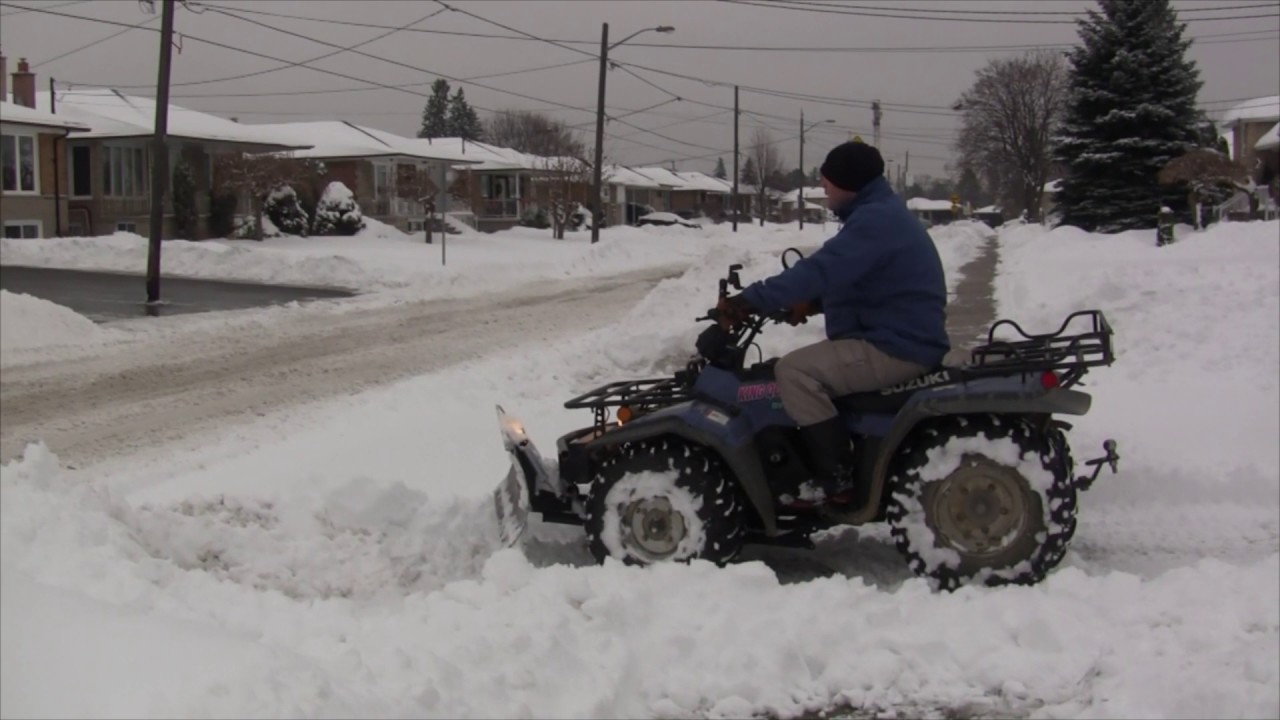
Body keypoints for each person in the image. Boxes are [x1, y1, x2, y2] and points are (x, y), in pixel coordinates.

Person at [719, 141, 950, 505]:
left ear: (849, 182)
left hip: (896, 346)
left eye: (828, 180)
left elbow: (821, 269)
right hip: (898, 335)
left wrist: (748, 300)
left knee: (794, 372)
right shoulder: (880, 214)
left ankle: (836, 479)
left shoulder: (874, 221)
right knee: (800, 367)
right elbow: (863, 281)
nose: (823, 186)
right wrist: (812, 304)